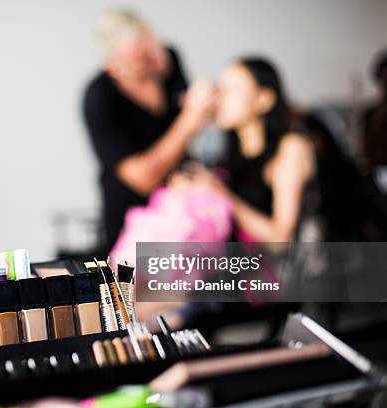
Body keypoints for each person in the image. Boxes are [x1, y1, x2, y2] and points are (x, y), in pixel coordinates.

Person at [83, 9, 214, 251]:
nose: (158, 59)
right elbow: (141, 179)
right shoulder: (99, 98)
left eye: (155, 45)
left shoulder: (169, 60)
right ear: (115, 67)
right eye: (144, 58)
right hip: (133, 222)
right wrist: (190, 121)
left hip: (184, 211)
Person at [172, 57, 315, 242]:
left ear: (264, 100)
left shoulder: (290, 147)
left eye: (232, 89)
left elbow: (281, 240)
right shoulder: (229, 148)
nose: (219, 98)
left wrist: (220, 193)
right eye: (219, 88)